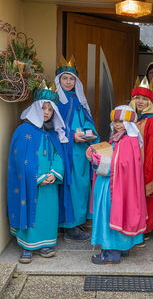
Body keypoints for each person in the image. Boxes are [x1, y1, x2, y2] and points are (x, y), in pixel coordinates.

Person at [7, 86, 74, 263]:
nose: (46, 112)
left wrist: (54, 173)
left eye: (50, 109)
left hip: (50, 183)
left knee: (48, 212)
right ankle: (27, 247)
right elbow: (20, 160)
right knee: (29, 209)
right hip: (31, 183)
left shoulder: (53, 132)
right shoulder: (24, 130)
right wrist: (37, 177)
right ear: (36, 107)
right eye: (43, 108)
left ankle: (45, 244)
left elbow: (59, 155)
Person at [87, 105, 148, 264]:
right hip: (121, 187)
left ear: (129, 123)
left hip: (113, 188)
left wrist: (95, 159)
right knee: (123, 213)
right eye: (115, 121)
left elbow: (116, 167)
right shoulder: (123, 139)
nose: (117, 125)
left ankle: (111, 253)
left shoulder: (126, 141)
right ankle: (122, 247)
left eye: (121, 121)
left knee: (111, 214)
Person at [55, 55, 100, 242]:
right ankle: (69, 229)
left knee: (82, 187)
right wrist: (72, 135)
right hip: (66, 152)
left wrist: (92, 134)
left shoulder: (80, 100)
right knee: (70, 187)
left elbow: (88, 121)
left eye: (71, 78)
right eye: (64, 78)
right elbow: (52, 126)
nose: (68, 82)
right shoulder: (56, 101)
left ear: (76, 81)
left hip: (82, 152)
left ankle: (77, 222)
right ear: (59, 80)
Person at [129, 76, 153, 242]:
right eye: (138, 98)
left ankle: (145, 229)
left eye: (144, 99)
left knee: (146, 198)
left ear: (150, 102)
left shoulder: (151, 121)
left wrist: (150, 173)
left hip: (145, 166)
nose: (140, 102)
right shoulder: (131, 119)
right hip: (130, 166)